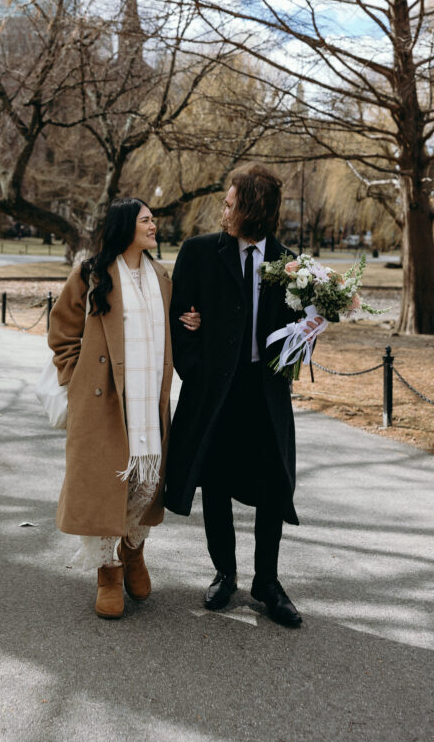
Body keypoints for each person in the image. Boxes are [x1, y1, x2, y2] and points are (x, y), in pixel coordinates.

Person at [166, 163, 323, 628]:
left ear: (253, 209)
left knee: (274, 485)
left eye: (231, 204)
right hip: (214, 391)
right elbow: (179, 318)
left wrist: (311, 329)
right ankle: (225, 574)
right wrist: (195, 370)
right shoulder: (198, 252)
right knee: (215, 483)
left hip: (265, 392)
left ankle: (267, 582)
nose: (224, 210)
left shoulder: (291, 265)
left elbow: (299, 329)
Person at [48, 198, 200, 620]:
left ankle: (133, 550)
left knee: (145, 482)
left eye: (153, 220)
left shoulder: (162, 277)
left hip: (150, 399)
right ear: (125, 227)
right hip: (103, 400)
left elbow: (171, 326)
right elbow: (62, 330)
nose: (153, 226)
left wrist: (192, 323)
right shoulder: (91, 274)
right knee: (104, 485)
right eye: (146, 220)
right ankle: (108, 572)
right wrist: (75, 377)